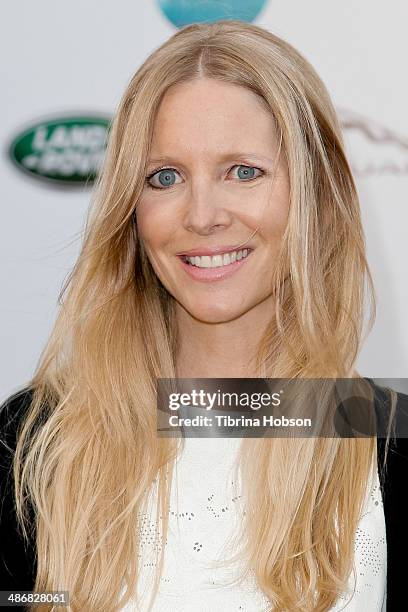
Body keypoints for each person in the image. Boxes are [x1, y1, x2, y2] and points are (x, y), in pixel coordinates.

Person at [0, 19, 407, 612]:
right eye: (165, 177)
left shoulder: (385, 434)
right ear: (130, 210)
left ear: (316, 197)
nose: (202, 214)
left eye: (244, 172)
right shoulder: (35, 442)